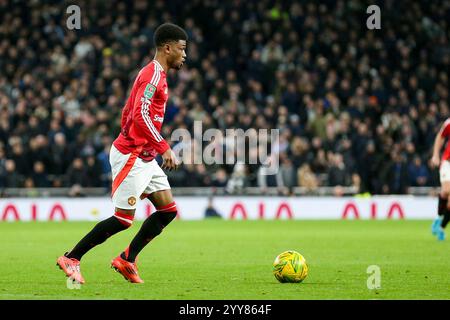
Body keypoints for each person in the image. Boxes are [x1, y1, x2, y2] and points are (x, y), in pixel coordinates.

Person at [56, 23, 188, 283]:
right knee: (123, 220)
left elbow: (130, 112)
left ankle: (127, 259)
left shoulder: (157, 76)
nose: (185, 55)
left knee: (168, 210)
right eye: (182, 49)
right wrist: (164, 146)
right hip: (132, 156)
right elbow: (140, 115)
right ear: (168, 48)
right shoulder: (152, 75)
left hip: (145, 156)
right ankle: (71, 257)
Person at [430, 119, 450, 241]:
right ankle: (438, 218)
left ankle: (441, 227)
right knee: (446, 190)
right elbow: (440, 136)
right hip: (448, 162)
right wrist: (435, 154)